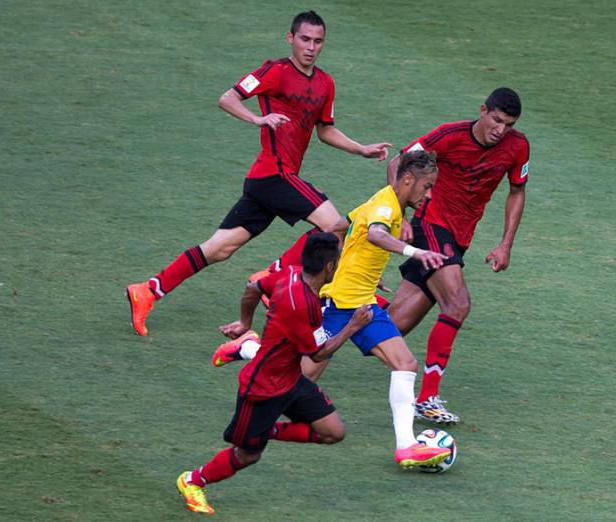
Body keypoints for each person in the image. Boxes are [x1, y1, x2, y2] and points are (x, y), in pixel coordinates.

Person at [125, 10, 391, 336]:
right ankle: (273, 278)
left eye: (318, 41)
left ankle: (148, 290)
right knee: (335, 226)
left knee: (220, 248)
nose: (310, 47)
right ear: (290, 38)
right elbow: (228, 98)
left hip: (269, 181)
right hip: (273, 174)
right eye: (304, 39)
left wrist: (361, 148)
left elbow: (325, 130)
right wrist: (257, 120)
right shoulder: (274, 71)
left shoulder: (325, 83)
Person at [214, 151, 452, 468]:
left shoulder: (384, 201)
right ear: (408, 179)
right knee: (300, 373)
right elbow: (375, 233)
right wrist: (415, 251)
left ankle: (407, 446)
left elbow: (341, 226)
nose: (430, 194)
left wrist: (356, 264)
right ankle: (248, 349)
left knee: (405, 363)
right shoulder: (384, 206)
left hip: (361, 302)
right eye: (427, 186)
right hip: (340, 305)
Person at [176, 233, 372, 515]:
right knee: (249, 454)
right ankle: (193, 480)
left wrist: (245, 322)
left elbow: (253, 286)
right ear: (329, 267)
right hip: (262, 388)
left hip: (291, 379)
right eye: (338, 261)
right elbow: (317, 354)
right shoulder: (304, 306)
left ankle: (263, 424)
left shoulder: (289, 274)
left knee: (333, 432)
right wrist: (353, 326)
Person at [386, 87, 530, 425]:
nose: (501, 130)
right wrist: (401, 214)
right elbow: (398, 161)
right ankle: (427, 398)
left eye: (508, 124)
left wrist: (505, 243)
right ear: (483, 110)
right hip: (431, 224)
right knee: (458, 304)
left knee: (393, 325)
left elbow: (517, 191)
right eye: (496, 120)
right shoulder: (448, 136)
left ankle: (323, 308)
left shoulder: (518, 146)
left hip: (460, 238)